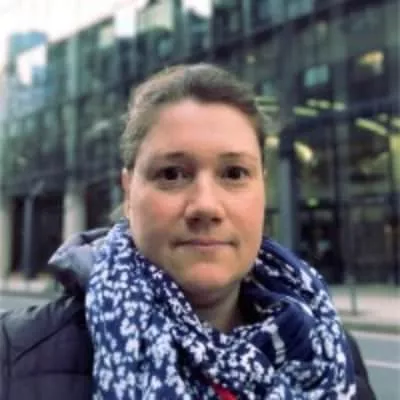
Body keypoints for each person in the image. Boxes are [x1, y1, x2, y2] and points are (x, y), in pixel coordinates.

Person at [0, 64, 375, 399]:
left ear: (263, 186)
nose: (206, 206)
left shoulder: (333, 352)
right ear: (129, 191)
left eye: (234, 173)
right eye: (172, 174)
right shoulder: (14, 355)